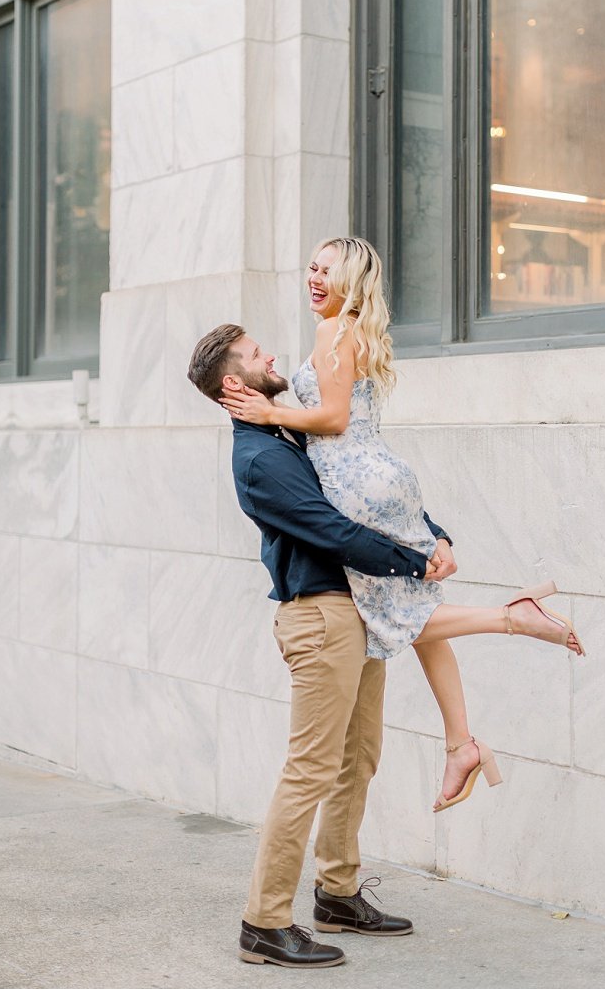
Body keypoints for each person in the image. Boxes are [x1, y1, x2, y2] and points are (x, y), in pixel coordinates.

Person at [219, 237, 584, 814]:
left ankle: (512, 618)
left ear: (352, 282)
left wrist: (271, 412)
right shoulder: (356, 329)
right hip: (384, 473)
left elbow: (333, 419)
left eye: (327, 272)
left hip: (352, 481)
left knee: (399, 615)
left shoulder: (332, 331)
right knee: (419, 612)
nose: (314, 279)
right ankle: (460, 742)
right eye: (311, 267)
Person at [188, 323, 440, 968]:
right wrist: (412, 560)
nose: (271, 353)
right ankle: (264, 922)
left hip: (357, 608)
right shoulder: (259, 459)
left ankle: (338, 891)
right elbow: (330, 528)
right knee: (310, 771)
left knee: (359, 759)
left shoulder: (290, 429)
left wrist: (432, 534)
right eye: (255, 353)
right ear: (232, 383)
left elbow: (366, 485)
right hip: (322, 616)